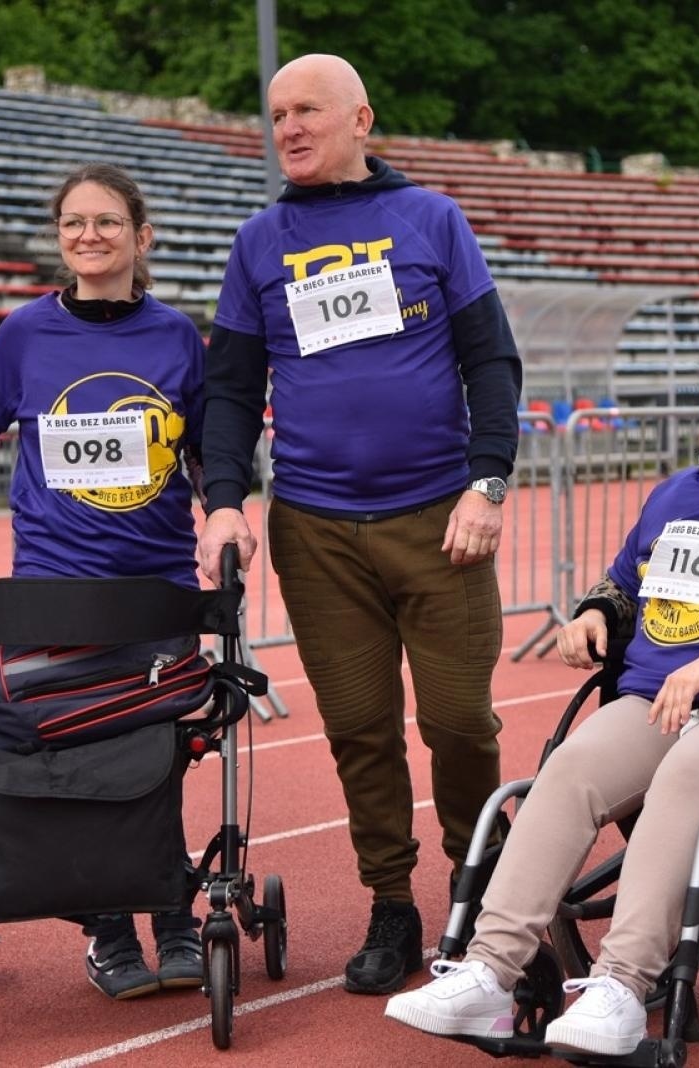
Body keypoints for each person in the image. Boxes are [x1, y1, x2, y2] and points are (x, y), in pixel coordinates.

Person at [385, 327, 699, 1057]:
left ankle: (621, 988)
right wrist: (595, 611)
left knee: (688, 775)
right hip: (663, 698)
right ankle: (486, 973)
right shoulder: (678, 494)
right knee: (570, 767)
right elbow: (626, 582)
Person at [195, 54, 522, 994]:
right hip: (317, 531)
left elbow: (490, 362)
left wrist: (487, 484)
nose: (288, 127)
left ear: (361, 119)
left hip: (439, 519)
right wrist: (226, 501)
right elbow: (230, 390)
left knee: (460, 720)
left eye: (307, 111)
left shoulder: (431, 219)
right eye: (276, 114)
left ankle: (479, 878)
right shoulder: (259, 241)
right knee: (360, 731)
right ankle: (392, 901)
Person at [0, 163, 207, 1001]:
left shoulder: (178, 338)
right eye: (74, 223)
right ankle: (111, 928)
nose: (90, 236)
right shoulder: (23, 335)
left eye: (108, 222)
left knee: (153, 751)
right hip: (54, 589)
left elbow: (204, 454)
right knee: (81, 748)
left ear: (141, 237)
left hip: (157, 585)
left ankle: (177, 916)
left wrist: (228, 512)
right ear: (60, 238)